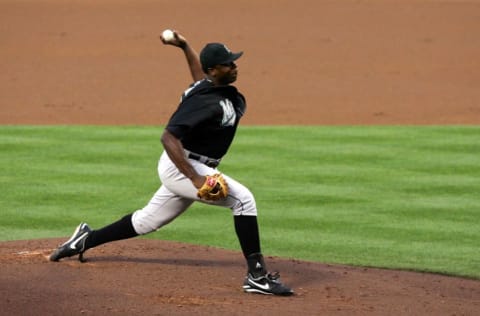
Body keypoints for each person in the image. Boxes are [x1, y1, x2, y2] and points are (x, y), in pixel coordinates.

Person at [49, 30, 293, 296]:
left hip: (191, 166)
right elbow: (168, 137)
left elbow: (197, 74)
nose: (234, 66)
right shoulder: (202, 102)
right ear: (214, 70)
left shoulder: (208, 85)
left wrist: (184, 46)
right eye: (228, 63)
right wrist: (195, 178)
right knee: (244, 200)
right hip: (183, 165)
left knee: (147, 221)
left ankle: (85, 239)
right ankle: (256, 275)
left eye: (234, 61)